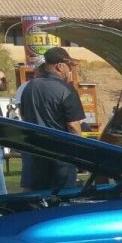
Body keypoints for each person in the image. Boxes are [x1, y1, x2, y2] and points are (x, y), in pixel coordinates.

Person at [18, 47, 84, 191]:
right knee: (63, 199)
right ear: (60, 66)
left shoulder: (29, 87)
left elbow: (24, 116)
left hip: (33, 156)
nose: (70, 71)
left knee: (34, 200)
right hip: (60, 158)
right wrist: (80, 155)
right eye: (69, 66)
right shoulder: (66, 89)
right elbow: (73, 125)